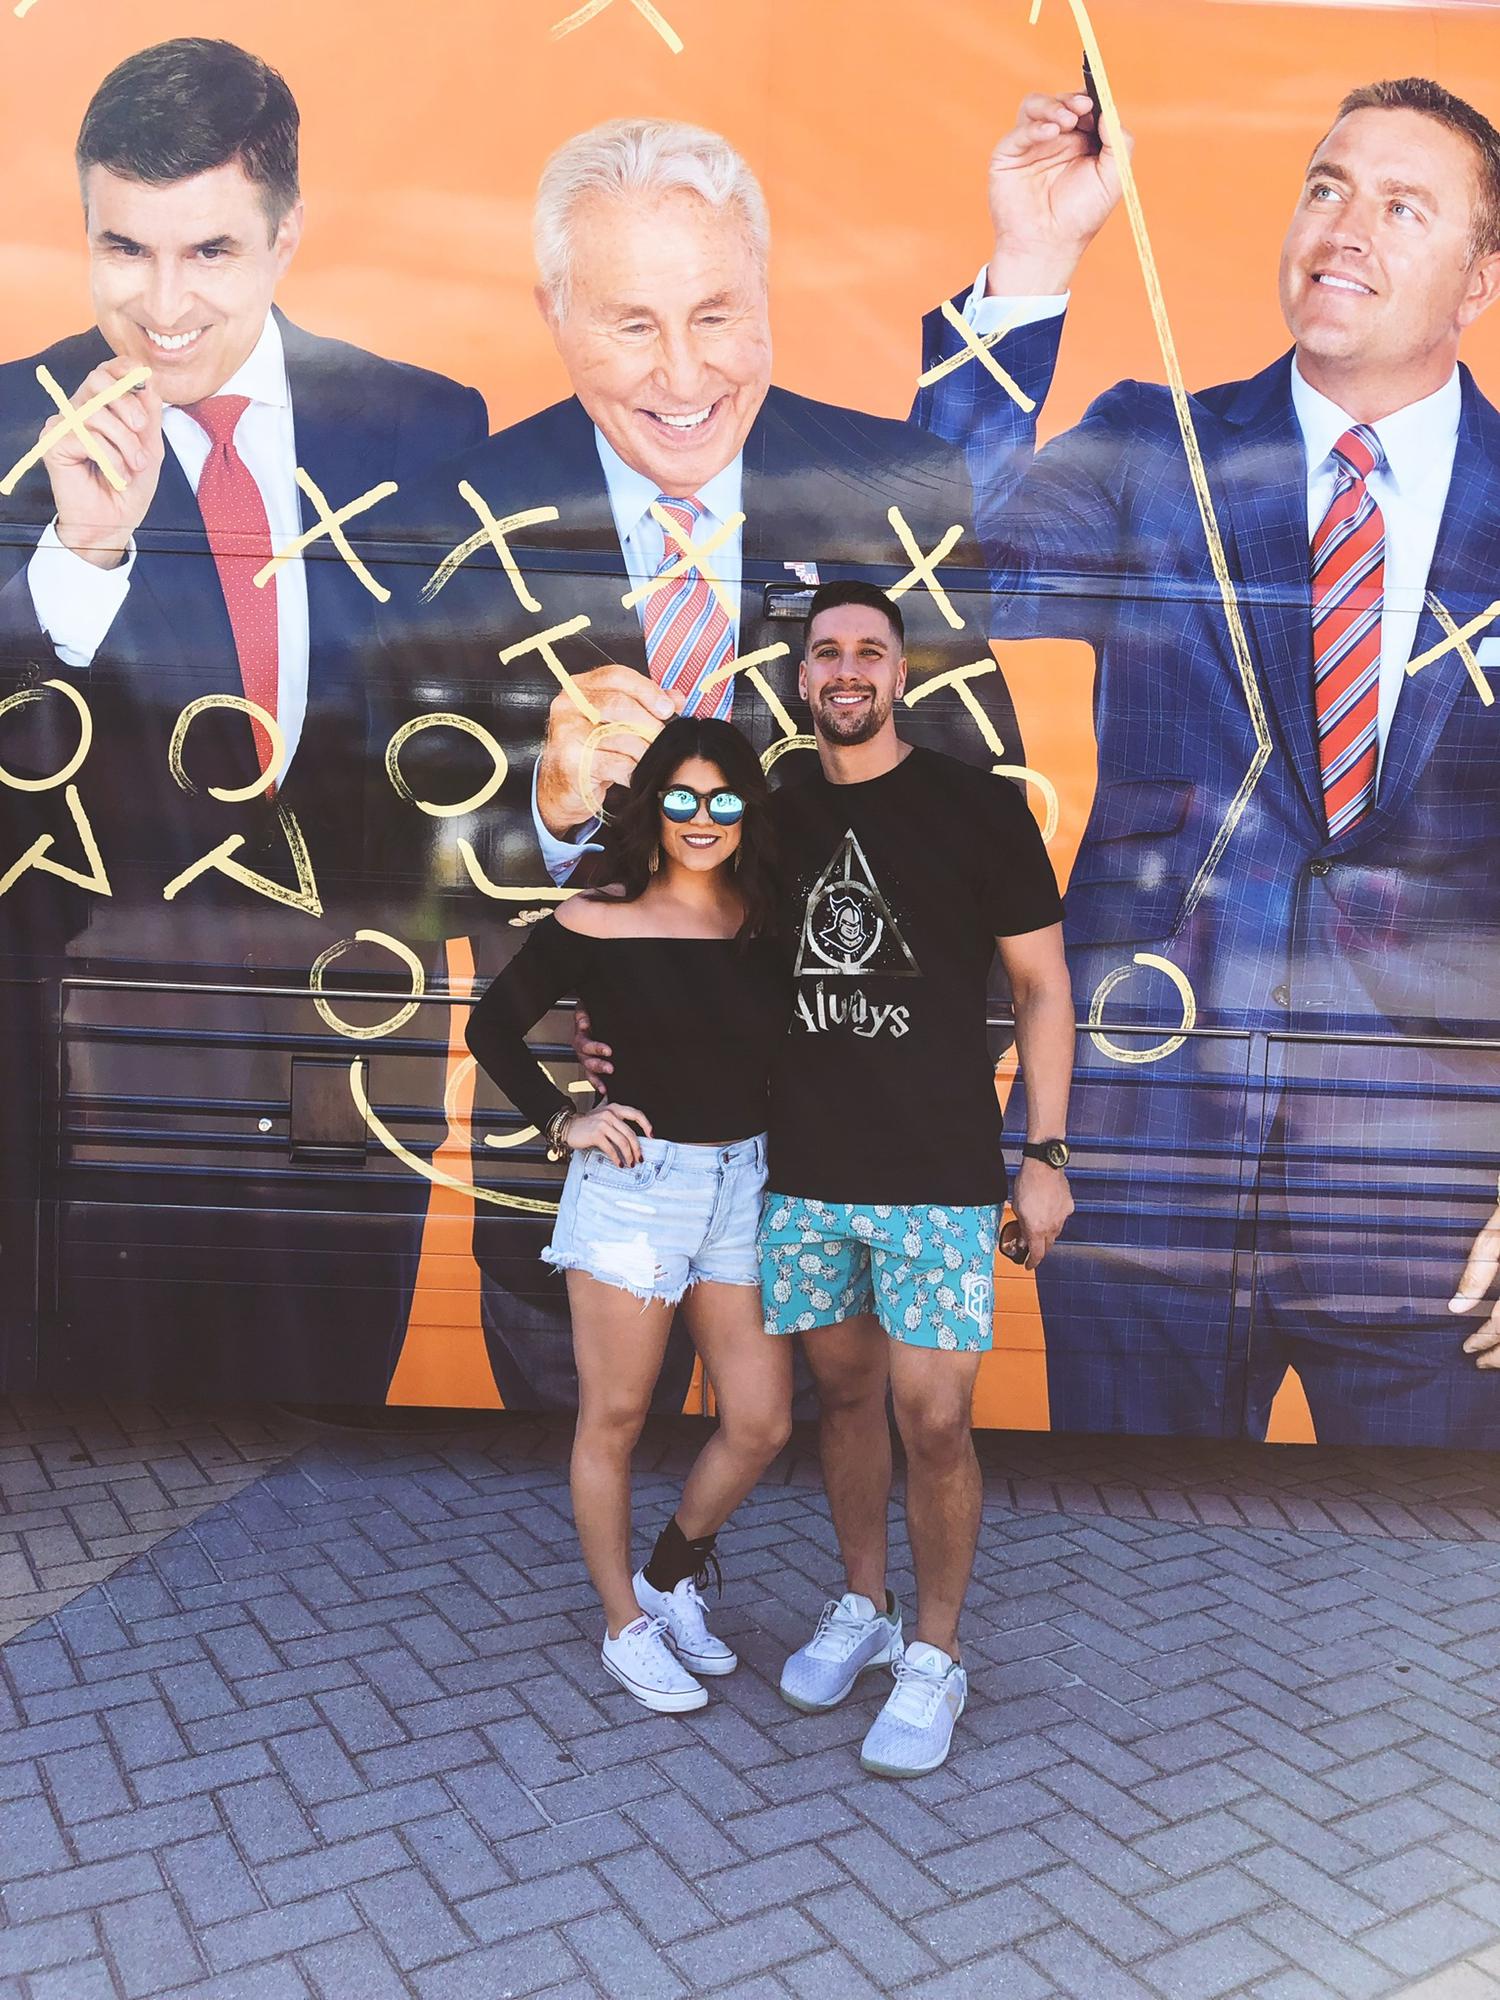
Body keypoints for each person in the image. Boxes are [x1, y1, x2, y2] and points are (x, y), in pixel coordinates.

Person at [377, 114, 1025, 1411]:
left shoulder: (894, 485)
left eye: (718, 314)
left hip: (836, 1154)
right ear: (555, 314)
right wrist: (545, 811)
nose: (685, 373)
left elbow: (979, 819)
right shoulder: (449, 516)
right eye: (634, 324)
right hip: (591, 1172)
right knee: (588, 1467)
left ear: (766, 295)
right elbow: (387, 846)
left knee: (822, 1474)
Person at [914, 77, 1500, 1446]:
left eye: (1403, 207)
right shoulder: (1151, 448)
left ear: (1479, 283)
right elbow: (934, 576)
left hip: (1430, 1214)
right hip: (1143, 1173)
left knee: (1417, 1577)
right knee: (1127, 1561)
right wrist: (1032, 259)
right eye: (1326, 187)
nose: (1345, 227)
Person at [0, 39, 488, 1403]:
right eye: (125, 249)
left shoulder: (423, 426)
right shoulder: (10, 421)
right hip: (110, 1050)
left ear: (286, 235)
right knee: (111, 1433)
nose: (162, 307)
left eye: (208, 251)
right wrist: (79, 562)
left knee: (335, 1444)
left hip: (359, 1045)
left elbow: (458, 737)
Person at [580, 580, 1076, 1776]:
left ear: (901, 672)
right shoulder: (775, 811)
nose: (847, 670)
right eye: (827, 653)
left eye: (869, 651)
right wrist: (600, 1038)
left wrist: (1047, 1153)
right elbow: (667, 918)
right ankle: (866, 1605)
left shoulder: (979, 807)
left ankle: (937, 1653)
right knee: (845, 1403)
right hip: (800, 1175)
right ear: (801, 678)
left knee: (935, 1417)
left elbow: (1043, 987)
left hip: (942, 1176)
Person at [464, 716, 793, 1713]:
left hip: (743, 1183)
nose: (703, 818)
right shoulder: (596, 917)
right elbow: (491, 1025)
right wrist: (566, 1118)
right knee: (613, 1417)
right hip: (638, 1187)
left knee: (761, 1420)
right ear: (653, 805)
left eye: (724, 799)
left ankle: (666, 1574)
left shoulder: (764, 917)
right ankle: (624, 1623)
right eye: (682, 797)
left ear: (747, 811)